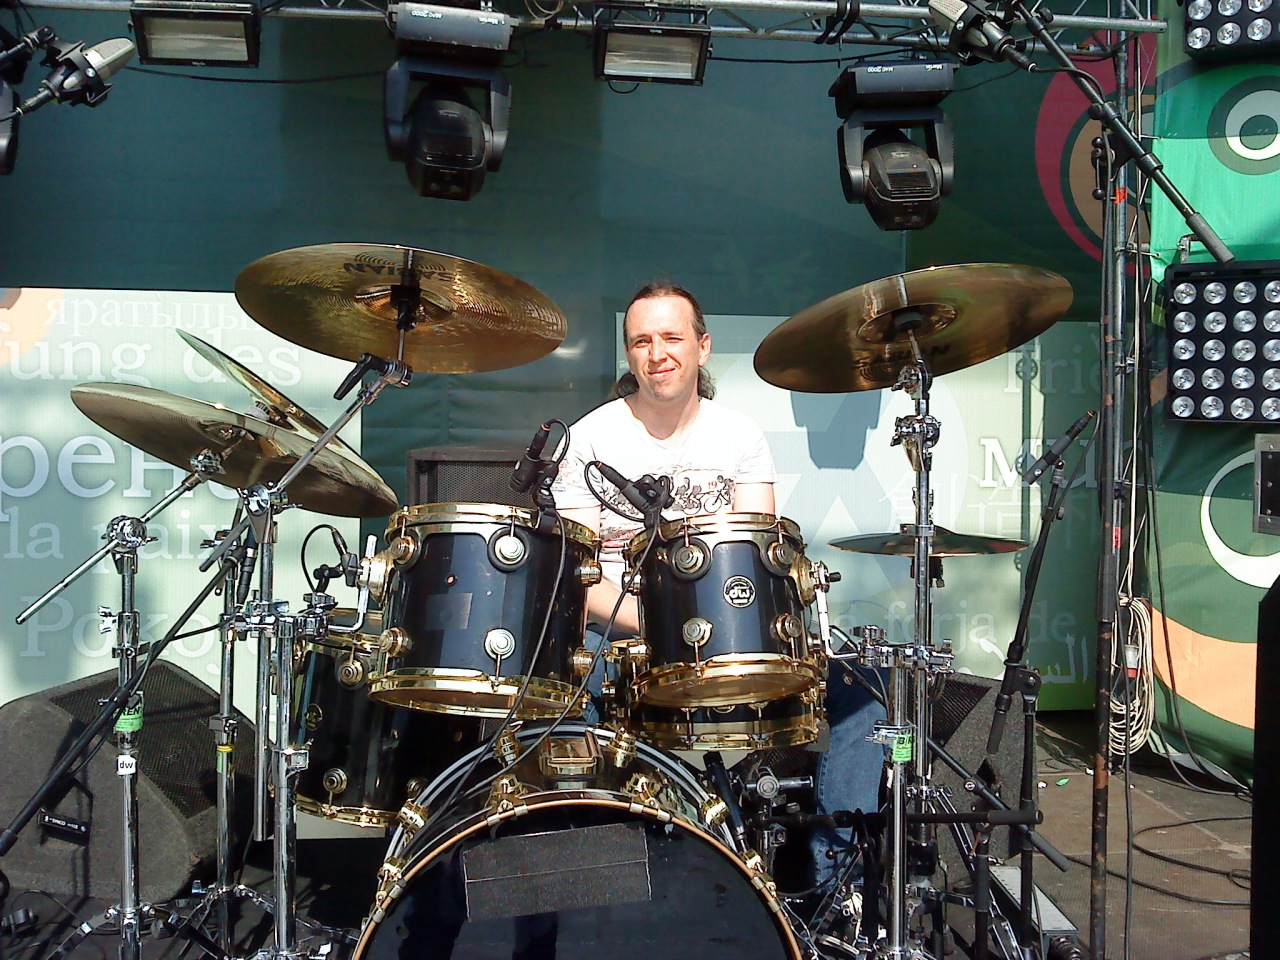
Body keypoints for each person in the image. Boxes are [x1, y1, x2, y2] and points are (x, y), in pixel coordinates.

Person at [550, 281, 884, 900]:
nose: (658, 354)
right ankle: (598, 887)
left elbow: (758, 558)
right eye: (642, 342)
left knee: (866, 695)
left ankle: (835, 888)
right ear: (629, 354)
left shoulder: (739, 436)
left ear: (702, 347)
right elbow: (579, 577)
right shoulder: (588, 439)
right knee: (568, 697)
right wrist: (663, 626)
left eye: (671, 338)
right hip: (624, 638)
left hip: (729, 638)